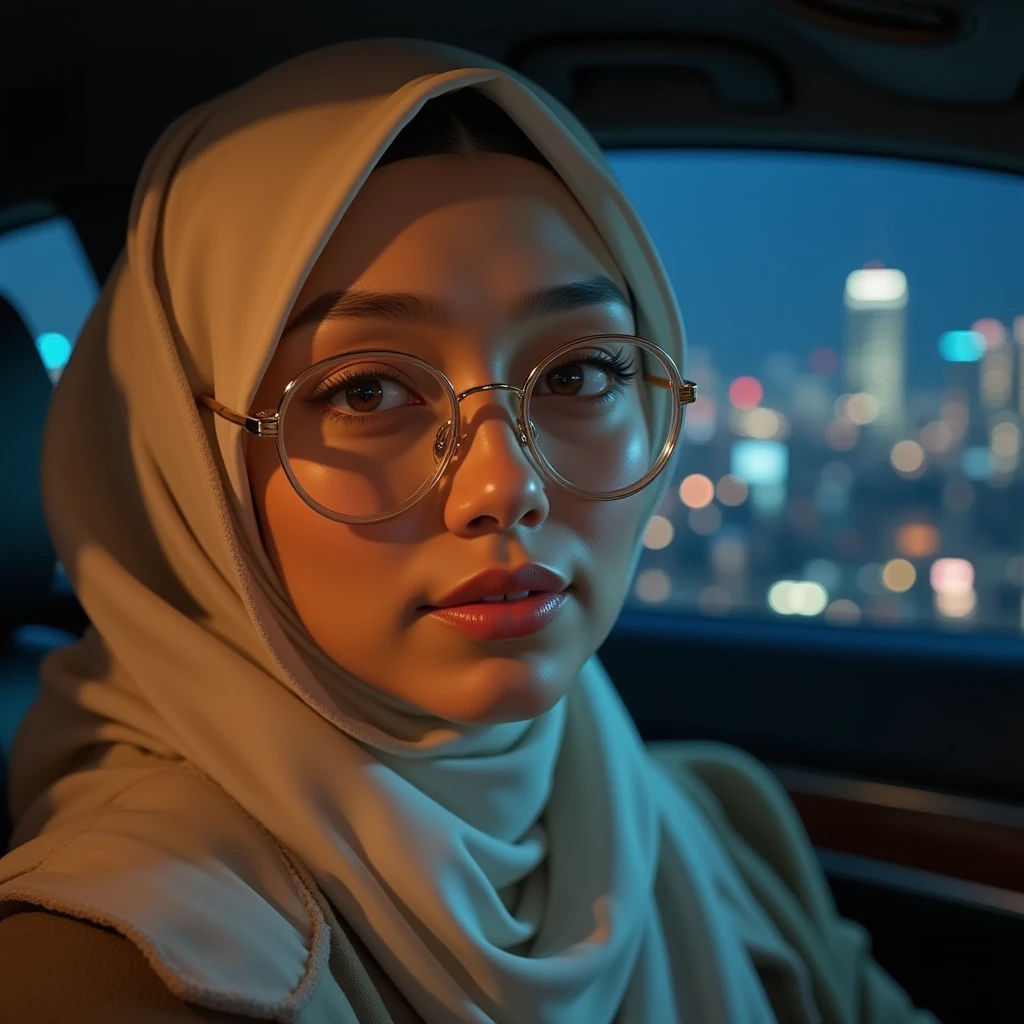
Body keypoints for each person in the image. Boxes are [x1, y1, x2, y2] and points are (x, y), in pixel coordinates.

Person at [0, 38, 938, 1024]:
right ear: (186, 461)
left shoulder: (712, 832)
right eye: (366, 391)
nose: (505, 486)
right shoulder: (117, 968)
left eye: (578, 374)